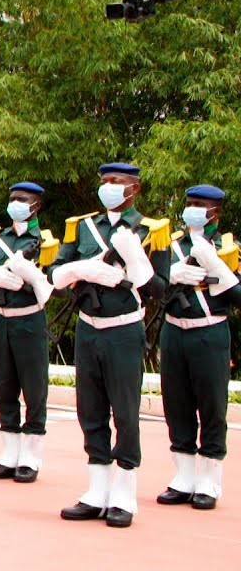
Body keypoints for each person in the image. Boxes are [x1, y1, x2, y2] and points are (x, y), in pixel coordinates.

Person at [49, 162, 168, 528]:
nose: (108, 188)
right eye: (104, 182)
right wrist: (80, 270)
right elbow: (55, 274)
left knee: (125, 412)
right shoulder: (81, 226)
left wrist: (136, 260)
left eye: (116, 182)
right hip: (88, 328)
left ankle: (124, 494)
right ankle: (97, 491)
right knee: (91, 409)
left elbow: (161, 290)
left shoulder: (152, 231)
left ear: (134, 188)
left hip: (123, 330)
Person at [0, 182, 57, 483]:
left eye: (23, 200)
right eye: (13, 199)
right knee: (4, 387)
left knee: (34, 389)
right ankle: (9, 451)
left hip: (29, 320)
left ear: (36, 206)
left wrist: (31, 276)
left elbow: (53, 286)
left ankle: (30, 455)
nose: (16, 204)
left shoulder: (45, 242)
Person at [156, 185, 241, 511]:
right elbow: (151, 287)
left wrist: (218, 268)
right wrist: (171, 275)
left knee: (211, 406)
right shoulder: (171, 245)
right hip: (174, 332)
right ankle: (184, 477)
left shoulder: (229, 249)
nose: (192, 209)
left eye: (200, 205)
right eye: (189, 203)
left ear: (215, 212)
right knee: (176, 404)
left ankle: (209, 481)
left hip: (209, 333)